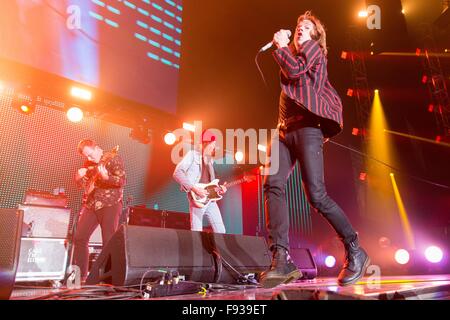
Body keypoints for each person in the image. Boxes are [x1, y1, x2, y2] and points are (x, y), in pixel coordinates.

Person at [260, 11, 370, 288]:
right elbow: (291, 76)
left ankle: (355, 248)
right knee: (272, 184)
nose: (300, 29)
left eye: (306, 27)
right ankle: (281, 258)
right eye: (298, 25)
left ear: (316, 36)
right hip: (284, 131)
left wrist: (281, 46)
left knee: (317, 197)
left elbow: (296, 72)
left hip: (309, 130)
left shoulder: (315, 54)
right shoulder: (291, 58)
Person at [73, 139, 126, 281]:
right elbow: (85, 185)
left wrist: (107, 177)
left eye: (90, 155)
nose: (89, 159)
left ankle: (107, 278)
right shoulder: (88, 164)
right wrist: (78, 177)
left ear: (97, 148)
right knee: (79, 238)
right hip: (91, 204)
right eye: (86, 157)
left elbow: (121, 181)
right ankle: (80, 277)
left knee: (108, 241)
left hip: (110, 203)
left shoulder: (113, 158)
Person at [173, 131, 227, 233]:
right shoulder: (192, 155)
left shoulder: (210, 160)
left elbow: (211, 184)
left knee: (221, 231)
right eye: (213, 144)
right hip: (197, 199)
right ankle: (196, 249)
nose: (214, 147)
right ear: (206, 143)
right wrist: (195, 189)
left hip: (211, 201)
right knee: (196, 231)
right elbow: (177, 173)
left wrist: (219, 190)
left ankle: (216, 249)